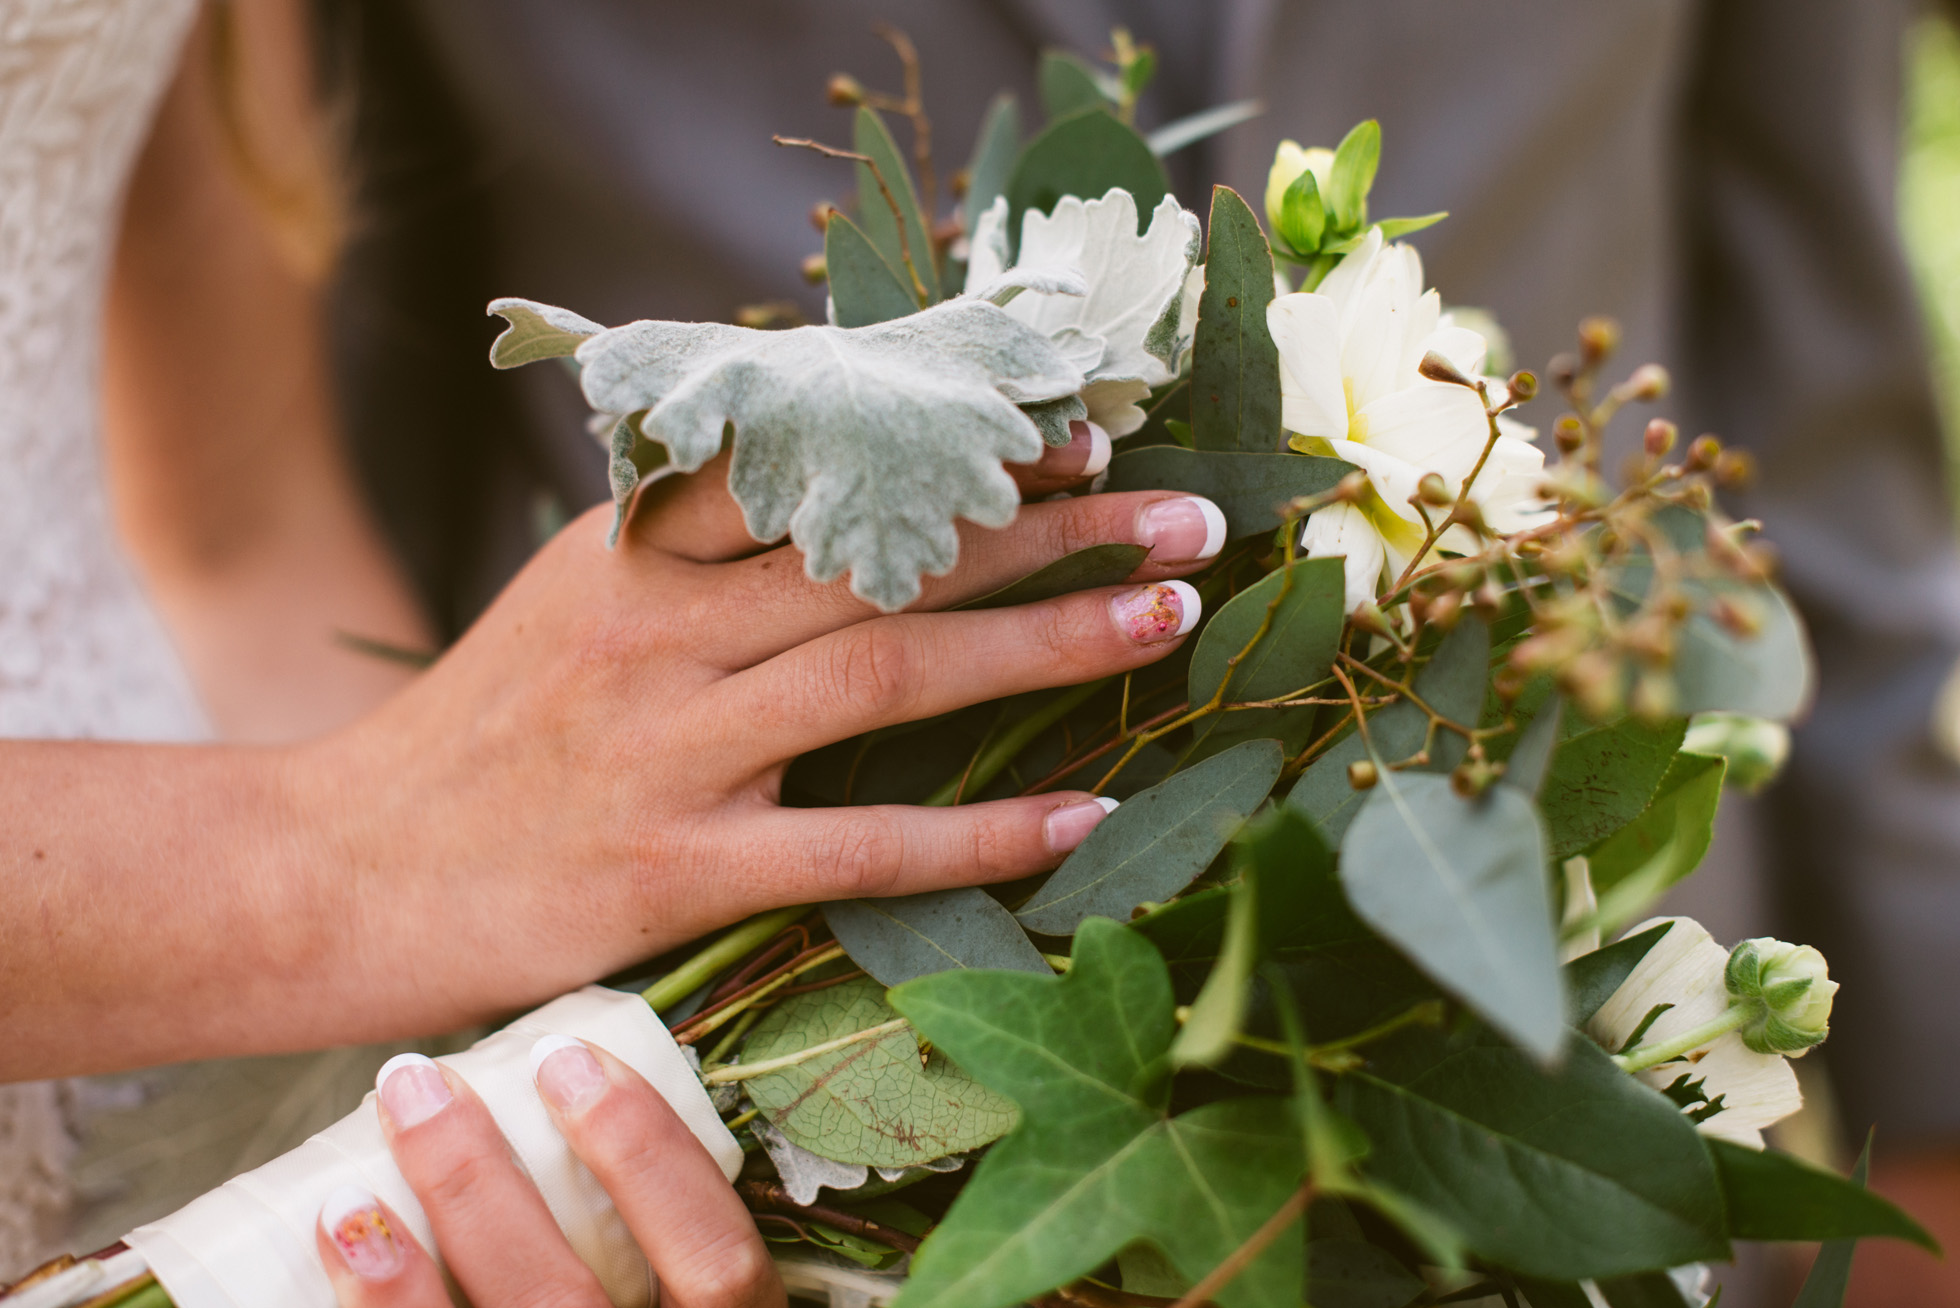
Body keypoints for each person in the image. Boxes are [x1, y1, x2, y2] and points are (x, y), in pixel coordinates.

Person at [312, 1, 1960, 1303]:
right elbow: (339, 459)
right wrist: (424, 1104)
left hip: (1538, 1032)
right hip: (775, 1082)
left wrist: (1934, 1112)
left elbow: (1824, 413)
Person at [0, 0, 1230, 1284]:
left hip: (180, 988)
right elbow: (356, 842)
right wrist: (352, 853)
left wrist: (490, 1080)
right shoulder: (339, 857)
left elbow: (238, 545)